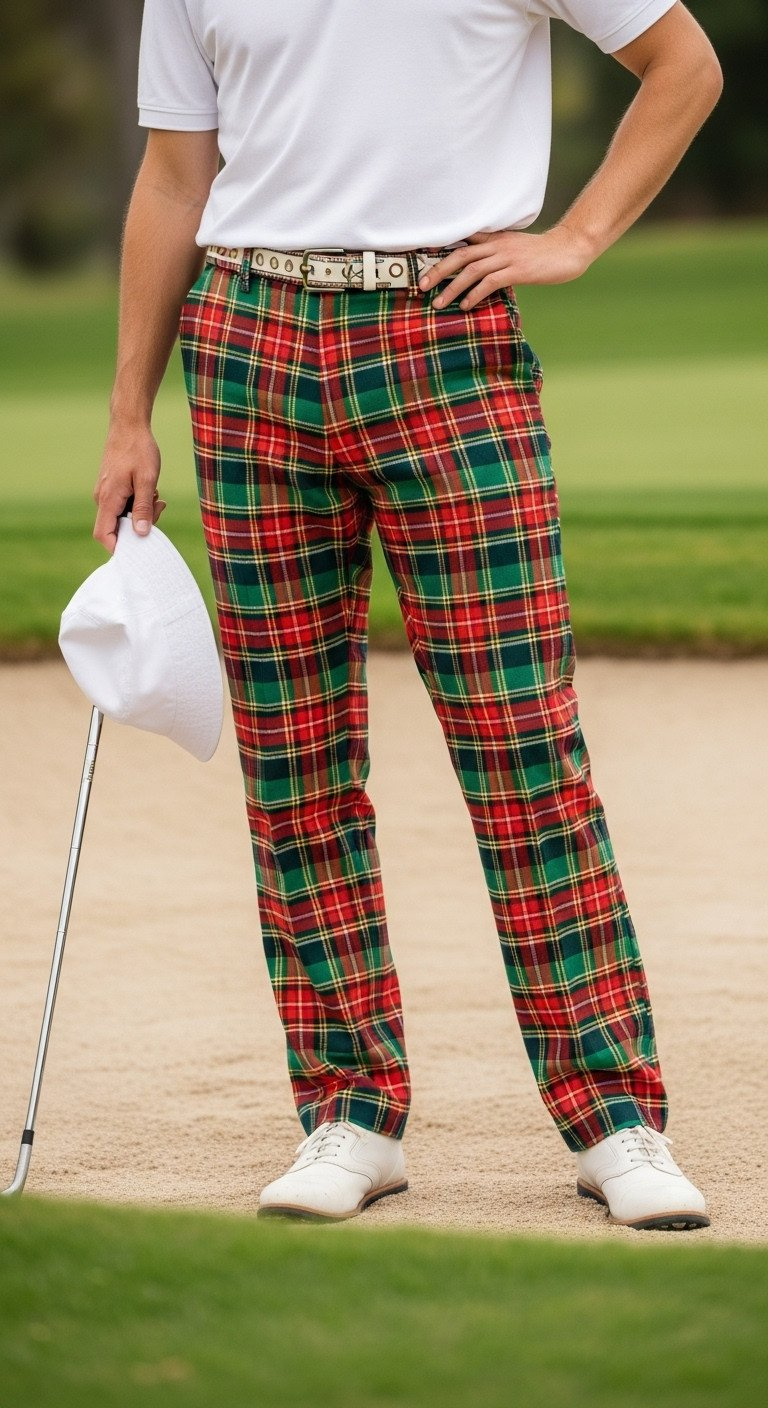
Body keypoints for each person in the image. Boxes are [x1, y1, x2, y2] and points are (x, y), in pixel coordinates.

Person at [93, 0, 722, 1228]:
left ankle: (613, 1115)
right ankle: (350, 1110)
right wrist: (129, 412)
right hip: (248, 342)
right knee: (295, 760)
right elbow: (175, 178)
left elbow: (682, 64)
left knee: (521, 744)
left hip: (443, 338)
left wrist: (581, 235)